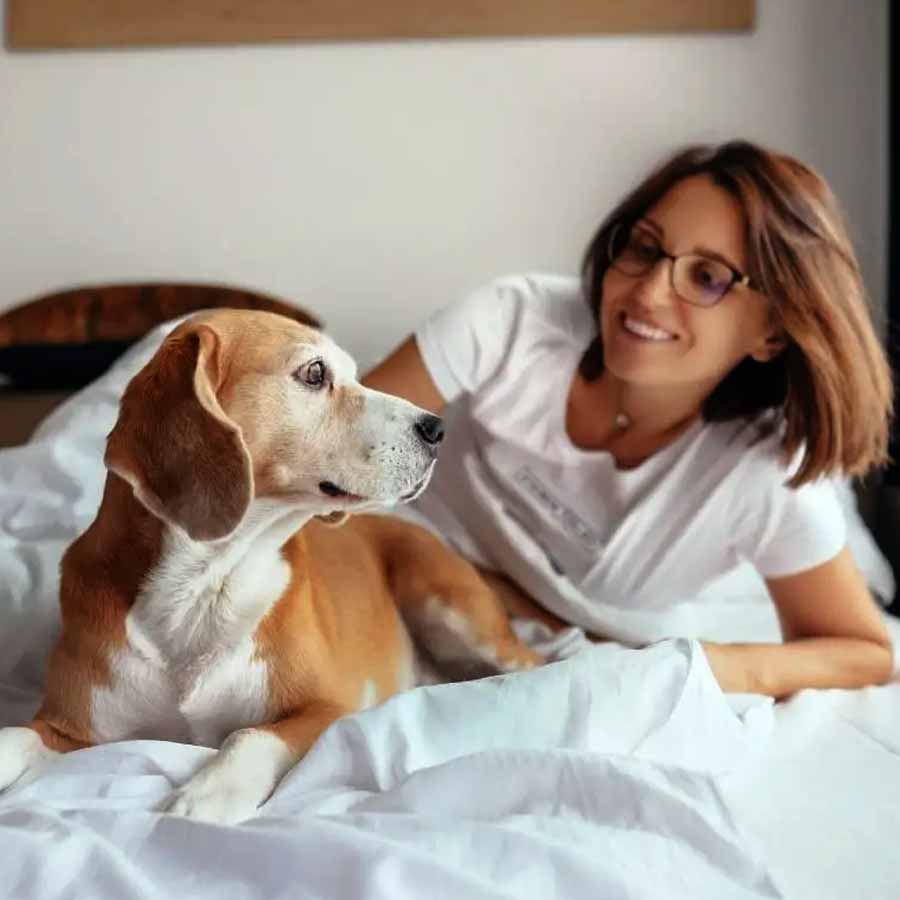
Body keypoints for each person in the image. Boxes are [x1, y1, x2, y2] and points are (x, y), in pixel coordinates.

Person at [362, 140, 894, 698]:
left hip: (576, 657)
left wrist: (696, 668)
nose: (647, 292)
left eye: (708, 276)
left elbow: (865, 651)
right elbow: (330, 452)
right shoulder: (510, 323)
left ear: (773, 331)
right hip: (383, 568)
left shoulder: (766, 475)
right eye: (645, 247)